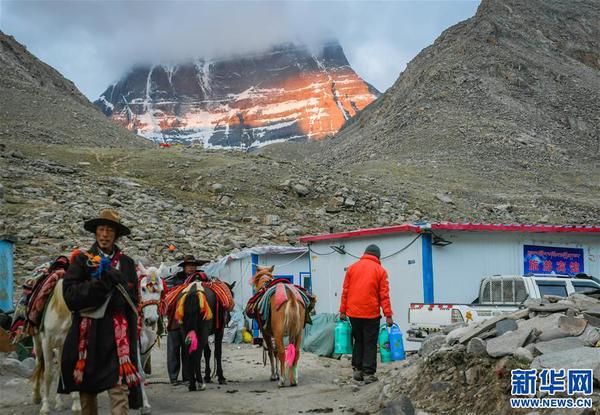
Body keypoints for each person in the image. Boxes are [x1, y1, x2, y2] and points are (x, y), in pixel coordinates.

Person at [59, 209, 142, 415]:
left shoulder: (127, 263)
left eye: (109, 230)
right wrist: (101, 284)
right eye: (101, 229)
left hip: (118, 337)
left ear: (116, 235)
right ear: (95, 233)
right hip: (89, 336)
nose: (105, 235)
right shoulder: (82, 261)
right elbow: (70, 296)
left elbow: (134, 301)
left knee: (119, 389)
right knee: (87, 393)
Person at [339, 244, 393, 384]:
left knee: (359, 340)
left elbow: (345, 291)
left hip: (353, 313)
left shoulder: (352, 268)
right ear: (378, 256)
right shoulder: (380, 271)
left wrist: (342, 311)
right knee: (369, 342)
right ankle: (368, 373)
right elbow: (384, 295)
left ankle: (357, 370)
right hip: (371, 314)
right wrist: (388, 314)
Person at [165, 254, 209, 385]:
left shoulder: (201, 280)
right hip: (174, 320)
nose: (191, 268)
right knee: (173, 349)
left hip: (191, 321)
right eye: (189, 266)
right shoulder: (175, 279)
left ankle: (187, 377)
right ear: (184, 267)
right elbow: (168, 293)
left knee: (187, 349)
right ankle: (173, 378)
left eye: (193, 266)